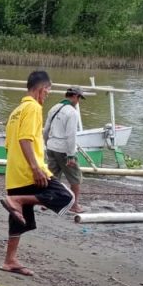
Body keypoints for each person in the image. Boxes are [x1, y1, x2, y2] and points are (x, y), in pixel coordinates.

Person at [0, 70, 76, 276]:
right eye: (48, 91)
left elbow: (9, 144)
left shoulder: (17, 110)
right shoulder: (33, 108)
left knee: (19, 218)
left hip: (14, 171)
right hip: (29, 169)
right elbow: (25, 139)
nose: (47, 95)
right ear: (42, 89)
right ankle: (19, 200)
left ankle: (10, 260)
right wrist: (35, 168)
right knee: (66, 196)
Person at [43, 85, 87, 213]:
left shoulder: (54, 108)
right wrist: (71, 155)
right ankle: (74, 205)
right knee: (76, 178)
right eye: (79, 98)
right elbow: (70, 135)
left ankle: (47, 201)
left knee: (52, 176)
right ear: (75, 96)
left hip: (51, 146)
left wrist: (47, 144)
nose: (78, 101)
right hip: (63, 149)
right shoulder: (72, 112)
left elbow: (46, 129)